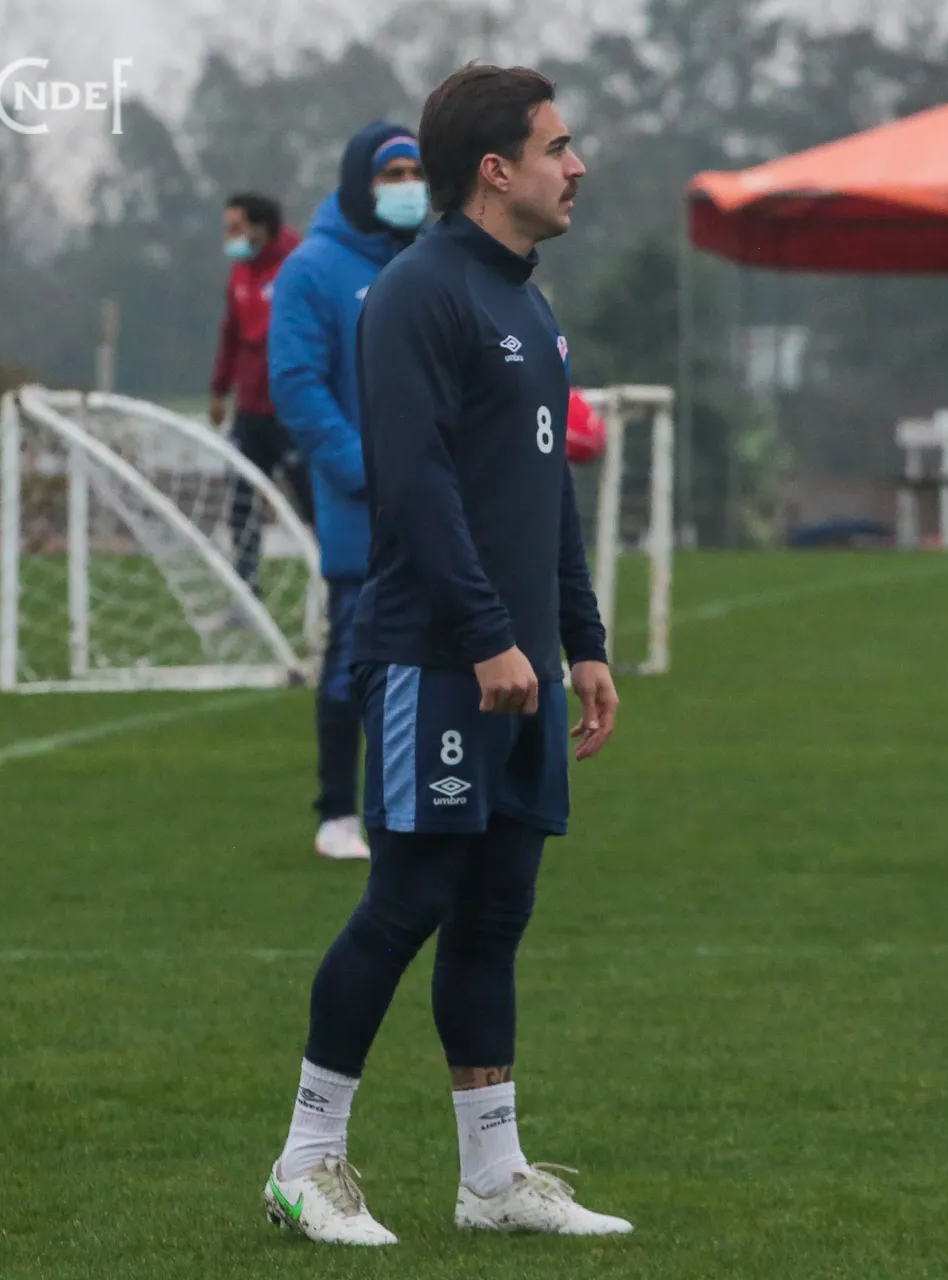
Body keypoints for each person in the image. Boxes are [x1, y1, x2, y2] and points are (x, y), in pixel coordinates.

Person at [260, 64, 626, 1246]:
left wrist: (581, 639)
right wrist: (484, 636)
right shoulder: (417, 294)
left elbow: (546, 496)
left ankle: (493, 1176)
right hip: (436, 658)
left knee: (496, 910)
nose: (578, 166)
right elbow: (413, 488)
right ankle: (305, 1161)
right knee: (406, 899)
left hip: (519, 667)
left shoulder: (531, 305)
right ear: (497, 168)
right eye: (559, 146)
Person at [268, 123, 430, 862]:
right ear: (360, 182)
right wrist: (363, 469)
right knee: (354, 663)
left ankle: (431, 804)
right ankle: (337, 812)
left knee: (442, 665)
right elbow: (297, 385)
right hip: (362, 512)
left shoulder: (432, 260)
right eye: (392, 173)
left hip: (443, 507)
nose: (407, 187)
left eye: (416, 172)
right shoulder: (313, 269)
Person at [211, 192, 309, 593]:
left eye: (236, 227)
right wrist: (219, 390)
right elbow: (231, 334)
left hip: (292, 410)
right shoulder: (239, 272)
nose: (230, 236)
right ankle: (247, 590)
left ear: (261, 227)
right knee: (240, 500)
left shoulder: (298, 265)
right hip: (250, 409)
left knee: (311, 502)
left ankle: (335, 587)